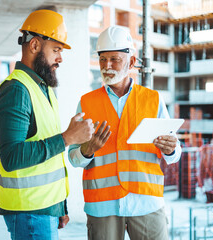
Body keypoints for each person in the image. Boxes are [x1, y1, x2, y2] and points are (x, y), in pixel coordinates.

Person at [68, 26, 182, 240]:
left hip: (147, 203)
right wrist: (86, 151)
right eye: (102, 59)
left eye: (114, 59)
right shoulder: (86, 103)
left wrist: (172, 149)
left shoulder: (153, 99)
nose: (107, 66)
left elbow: (175, 154)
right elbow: (73, 158)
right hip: (102, 206)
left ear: (130, 62)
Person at [0, 9, 94, 240]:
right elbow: (11, 157)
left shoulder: (42, 88)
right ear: (35, 45)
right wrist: (68, 138)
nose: (60, 58)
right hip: (29, 212)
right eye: (56, 49)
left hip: (44, 210)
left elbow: (48, 157)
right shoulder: (16, 90)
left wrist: (59, 205)